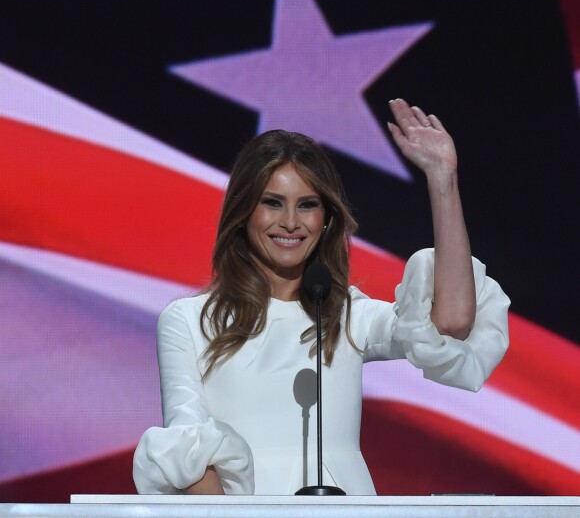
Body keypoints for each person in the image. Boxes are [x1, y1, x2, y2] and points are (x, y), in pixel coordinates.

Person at [133, 99, 510, 495]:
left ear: (325, 218)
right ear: (244, 212)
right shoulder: (189, 322)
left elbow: (450, 322)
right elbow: (187, 452)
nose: (291, 222)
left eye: (307, 205)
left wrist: (442, 180)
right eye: (272, 203)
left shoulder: (346, 316)